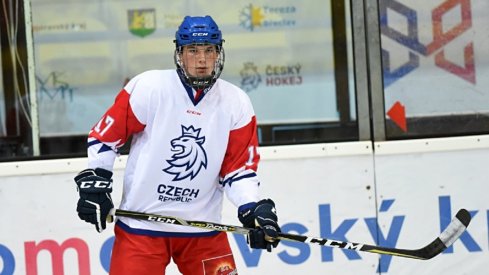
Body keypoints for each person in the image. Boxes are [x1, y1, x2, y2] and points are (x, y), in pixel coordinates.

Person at [74, 15, 281, 274]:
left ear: (219, 53)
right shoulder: (149, 87)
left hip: (203, 229)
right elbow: (105, 137)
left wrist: (252, 207)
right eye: (193, 50)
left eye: (209, 50)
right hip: (142, 230)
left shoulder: (236, 102)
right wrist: (98, 180)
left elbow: (238, 170)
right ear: (180, 54)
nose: (202, 59)